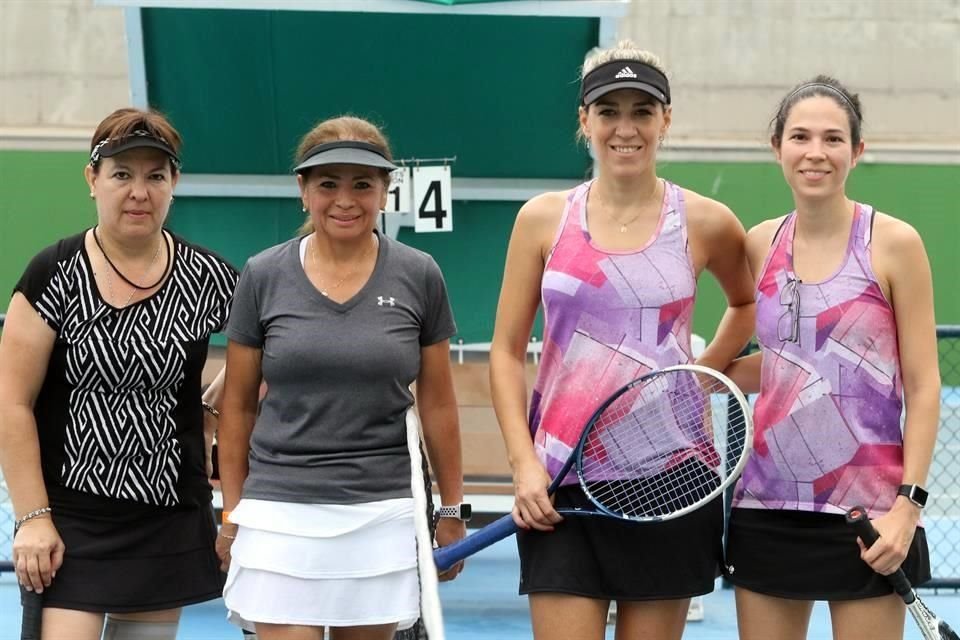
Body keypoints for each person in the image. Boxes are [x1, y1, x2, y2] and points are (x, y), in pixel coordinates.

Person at [489, 40, 756, 640]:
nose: (626, 128)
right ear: (585, 121)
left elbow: (747, 305)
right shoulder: (542, 219)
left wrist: (699, 372)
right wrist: (523, 464)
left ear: (666, 119)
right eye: (609, 111)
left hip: (672, 479)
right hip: (560, 482)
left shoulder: (707, 221)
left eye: (643, 110)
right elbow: (506, 352)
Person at [216, 115, 466, 640]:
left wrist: (449, 508)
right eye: (328, 183)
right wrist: (232, 514)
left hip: (383, 514)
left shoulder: (421, 274)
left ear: (385, 191)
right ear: (303, 191)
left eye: (362, 184)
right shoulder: (262, 275)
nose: (345, 199)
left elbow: (439, 404)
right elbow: (237, 406)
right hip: (279, 511)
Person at [0, 107, 238, 639]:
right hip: (68, 520)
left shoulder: (208, 277)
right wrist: (32, 516)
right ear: (93, 179)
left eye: (156, 176)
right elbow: (10, 402)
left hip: (167, 514)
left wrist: (213, 407)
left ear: (174, 182)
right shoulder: (52, 274)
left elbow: (277, 348)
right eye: (122, 174)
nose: (139, 192)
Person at [723, 76, 941, 640]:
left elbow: (921, 385)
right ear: (777, 148)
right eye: (799, 136)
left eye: (832, 139)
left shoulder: (894, 244)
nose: (815, 152)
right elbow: (782, 361)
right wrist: (709, 374)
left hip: (869, 518)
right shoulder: (759, 243)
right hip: (767, 509)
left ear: (856, 151)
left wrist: (907, 508)